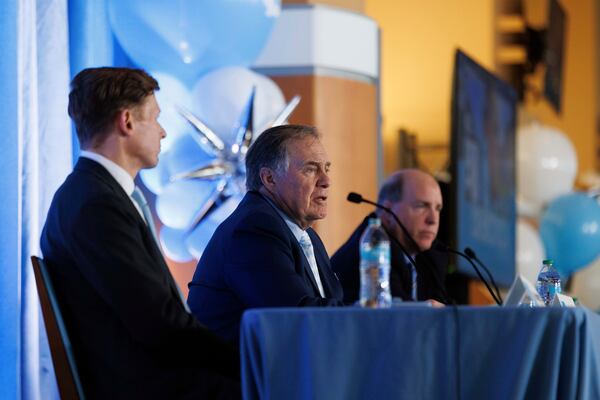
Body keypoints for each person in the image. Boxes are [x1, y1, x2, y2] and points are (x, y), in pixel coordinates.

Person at [40, 67, 239, 399]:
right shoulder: (96, 204)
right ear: (127, 122)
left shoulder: (95, 194)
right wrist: (243, 361)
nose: (162, 132)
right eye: (155, 118)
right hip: (146, 387)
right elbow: (160, 324)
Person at [187, 124, 344, 343]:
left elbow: (331, 303)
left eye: (326, 168)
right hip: (239, 374)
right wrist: (372, 311)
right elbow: (295, 316)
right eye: (310, 169)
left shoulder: (306, 236)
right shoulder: (254, 229)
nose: (326, 181)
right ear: (269, 179)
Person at [331, 169, 448, 304]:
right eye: (421, 206)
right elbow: (395, 318)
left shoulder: (431, 256)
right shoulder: (371, 248)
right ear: (387, 212)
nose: (433, 219)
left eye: (438, 208)